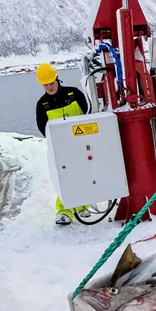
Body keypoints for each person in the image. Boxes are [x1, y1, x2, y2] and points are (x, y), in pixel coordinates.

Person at [35, 63, 93, 225]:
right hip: (60, 148)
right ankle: (64, 211)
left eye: (51, 83)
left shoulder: (74, 93)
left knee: (84, 175)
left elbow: (89, 113)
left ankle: (82, 206)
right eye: (45, 85)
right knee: (64, 179)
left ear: (56, 79)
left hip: (82, 144)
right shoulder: (42, 105)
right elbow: (42, 127)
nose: (49, 87)